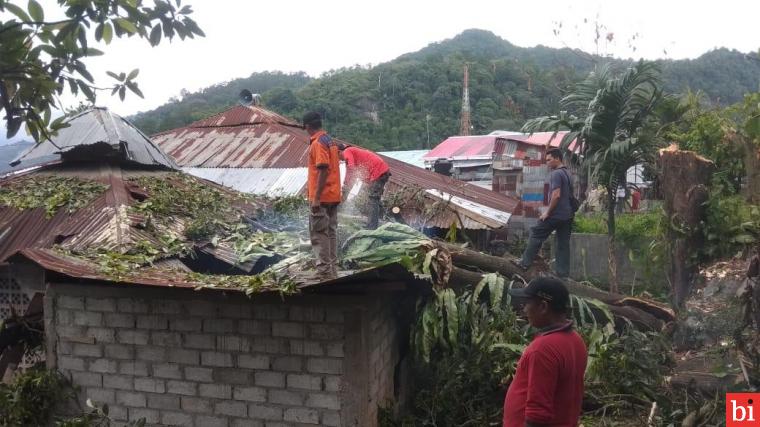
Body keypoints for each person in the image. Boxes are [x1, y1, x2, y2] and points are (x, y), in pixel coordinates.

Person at [504, 277, 588, 427]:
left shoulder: (543, 349)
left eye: (527, 303)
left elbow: (537, 414)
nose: (524, 309)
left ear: (543, 307)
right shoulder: (576, 341)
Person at [517, 148, 574, 278]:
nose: (547, 163)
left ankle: (525, 263)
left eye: (549, 160)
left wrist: (547, 212)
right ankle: (563, 274)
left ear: (557, 158)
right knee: (563, 244)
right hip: (568, 215)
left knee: (536, 233)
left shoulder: (556, 174)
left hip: (556, 214)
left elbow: (556, 195)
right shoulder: (568, 173)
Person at [303, 112, 341, 279]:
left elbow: (323, 168)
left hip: (323, 197)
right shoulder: (329, 140)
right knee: (331, 232)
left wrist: (316, 197)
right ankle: (332, 269)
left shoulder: (318, 143)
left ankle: (324, 271)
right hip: (333, 195)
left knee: (319, 233)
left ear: (307, 126)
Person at [338, 143, 391, 229]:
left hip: (378, 172)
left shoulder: (347, 151)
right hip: (379, 172)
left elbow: (351, 169)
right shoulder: (353, 152)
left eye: (337, 156)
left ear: (339, 152)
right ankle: (385, 220)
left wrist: (345, 187)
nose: (339, 159)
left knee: (373, 199)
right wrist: (346, 185)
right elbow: (351, 175)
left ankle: (372, 227)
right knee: (373, 199)